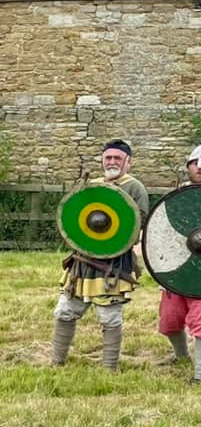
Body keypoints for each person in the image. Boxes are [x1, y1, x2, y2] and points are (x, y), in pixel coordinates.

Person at [51, 139, 150, 370]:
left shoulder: (134, 188)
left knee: (109, 316)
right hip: (81, 262)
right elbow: (74, 217)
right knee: (65, 310)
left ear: (128, 162)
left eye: (117, 158)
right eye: (108, 158)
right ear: (102, 160)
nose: (112, 162)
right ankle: (57, 362)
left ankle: (109, 368)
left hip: (113, 265)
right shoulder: (90, 186)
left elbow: (137, 224)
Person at [157, 144, 201, 383]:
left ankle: (200, 375)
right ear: (188, 168)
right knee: (170, 321)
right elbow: (160, 231)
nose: (200, 167)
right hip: (176, 267)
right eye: (195, 163)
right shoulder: (175, 197)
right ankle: (182, 356)